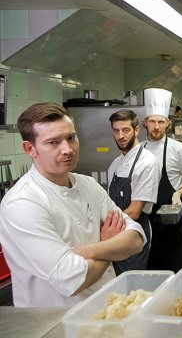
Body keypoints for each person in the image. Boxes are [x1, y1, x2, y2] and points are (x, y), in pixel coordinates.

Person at [0, 103, 146, 307]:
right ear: (30, 149)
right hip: (56, 325)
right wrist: (110, 246)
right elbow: (73, 281)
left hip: (108, 311)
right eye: (53, 142)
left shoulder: (88, 184)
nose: (68, 149)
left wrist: (88, 251)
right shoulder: (23, 203)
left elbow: (137, 239)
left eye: (71, 138)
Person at [142, 88, 182, 272]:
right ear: (145, 123)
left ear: (168, 123)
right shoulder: (138, 151)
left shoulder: (178, 149)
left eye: (161, 121)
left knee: (178, 269)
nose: (156, 126)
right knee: (151, 273)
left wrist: (178, 193)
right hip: (146, 225)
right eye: (152, 121)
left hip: (173, 223)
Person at [107, 109, 159, 274]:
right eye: (116, 131)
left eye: (126, 130)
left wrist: (105, 227)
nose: (120, 136)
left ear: (137, 131)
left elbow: (135, 211)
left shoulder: (147, 162)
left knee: (131, 283)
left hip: (134, 233)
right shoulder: (115, 164)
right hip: (115, 233)